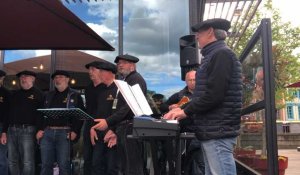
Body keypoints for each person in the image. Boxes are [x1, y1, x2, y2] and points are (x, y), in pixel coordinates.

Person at [163, 18, 243, 175]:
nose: (197, 37)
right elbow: (205, 95)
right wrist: (181, 108)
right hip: (214, 130)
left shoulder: (221, 54)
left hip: (217, 131)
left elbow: (214, 95)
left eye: (199, 33)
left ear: (210, 32)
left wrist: (184, 112)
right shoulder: (215, 55)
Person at [92, 54, 147, 175]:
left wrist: (108, 122)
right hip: (124, 128)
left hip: (131, 128)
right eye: (118, 63)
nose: (120, 65)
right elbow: (119, 108)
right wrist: (113, 130)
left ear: (132, 65)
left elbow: (128, 108)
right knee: (125, 166)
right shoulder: (126, 81)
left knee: (132, 167)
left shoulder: (136, 79)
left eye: (124, 62)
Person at [36, 70, 84, 175]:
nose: (58, 79)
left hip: (65, 134)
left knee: (64, 165)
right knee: (45, 165)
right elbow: (40, 114)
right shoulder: (47, 95)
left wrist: (75, 131)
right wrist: (40, 129)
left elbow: (80, 116)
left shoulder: (75, 95)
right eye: (56, 78)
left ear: (67, 79)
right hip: (47, 133)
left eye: (61, 77)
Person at [1, 70, 44, 175]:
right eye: (21, 77)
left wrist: (40, 129)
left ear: (33, 79)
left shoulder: (39, 94)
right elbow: (8, 114)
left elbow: (43, 115)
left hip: (28, 131)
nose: (23, 79)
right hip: (11, 130)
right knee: (12, 161)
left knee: (27, 162)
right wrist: (4, 131)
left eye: (26, 77)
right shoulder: (14, 94)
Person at [83, 61, 118, 175]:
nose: (90, 72)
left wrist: (113, 130)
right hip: (95, 128)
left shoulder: (116, 89)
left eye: (94, 69)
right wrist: (92, 128)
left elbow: (120, 112)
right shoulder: (90, 89)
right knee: (93, 161)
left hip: (111, 130)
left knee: (110, 165)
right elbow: (97, 112)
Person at [0, 70, 10, 175]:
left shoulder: (6, 93)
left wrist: (4, 132)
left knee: (1, 159)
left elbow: (8, 114)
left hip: (1, 127)